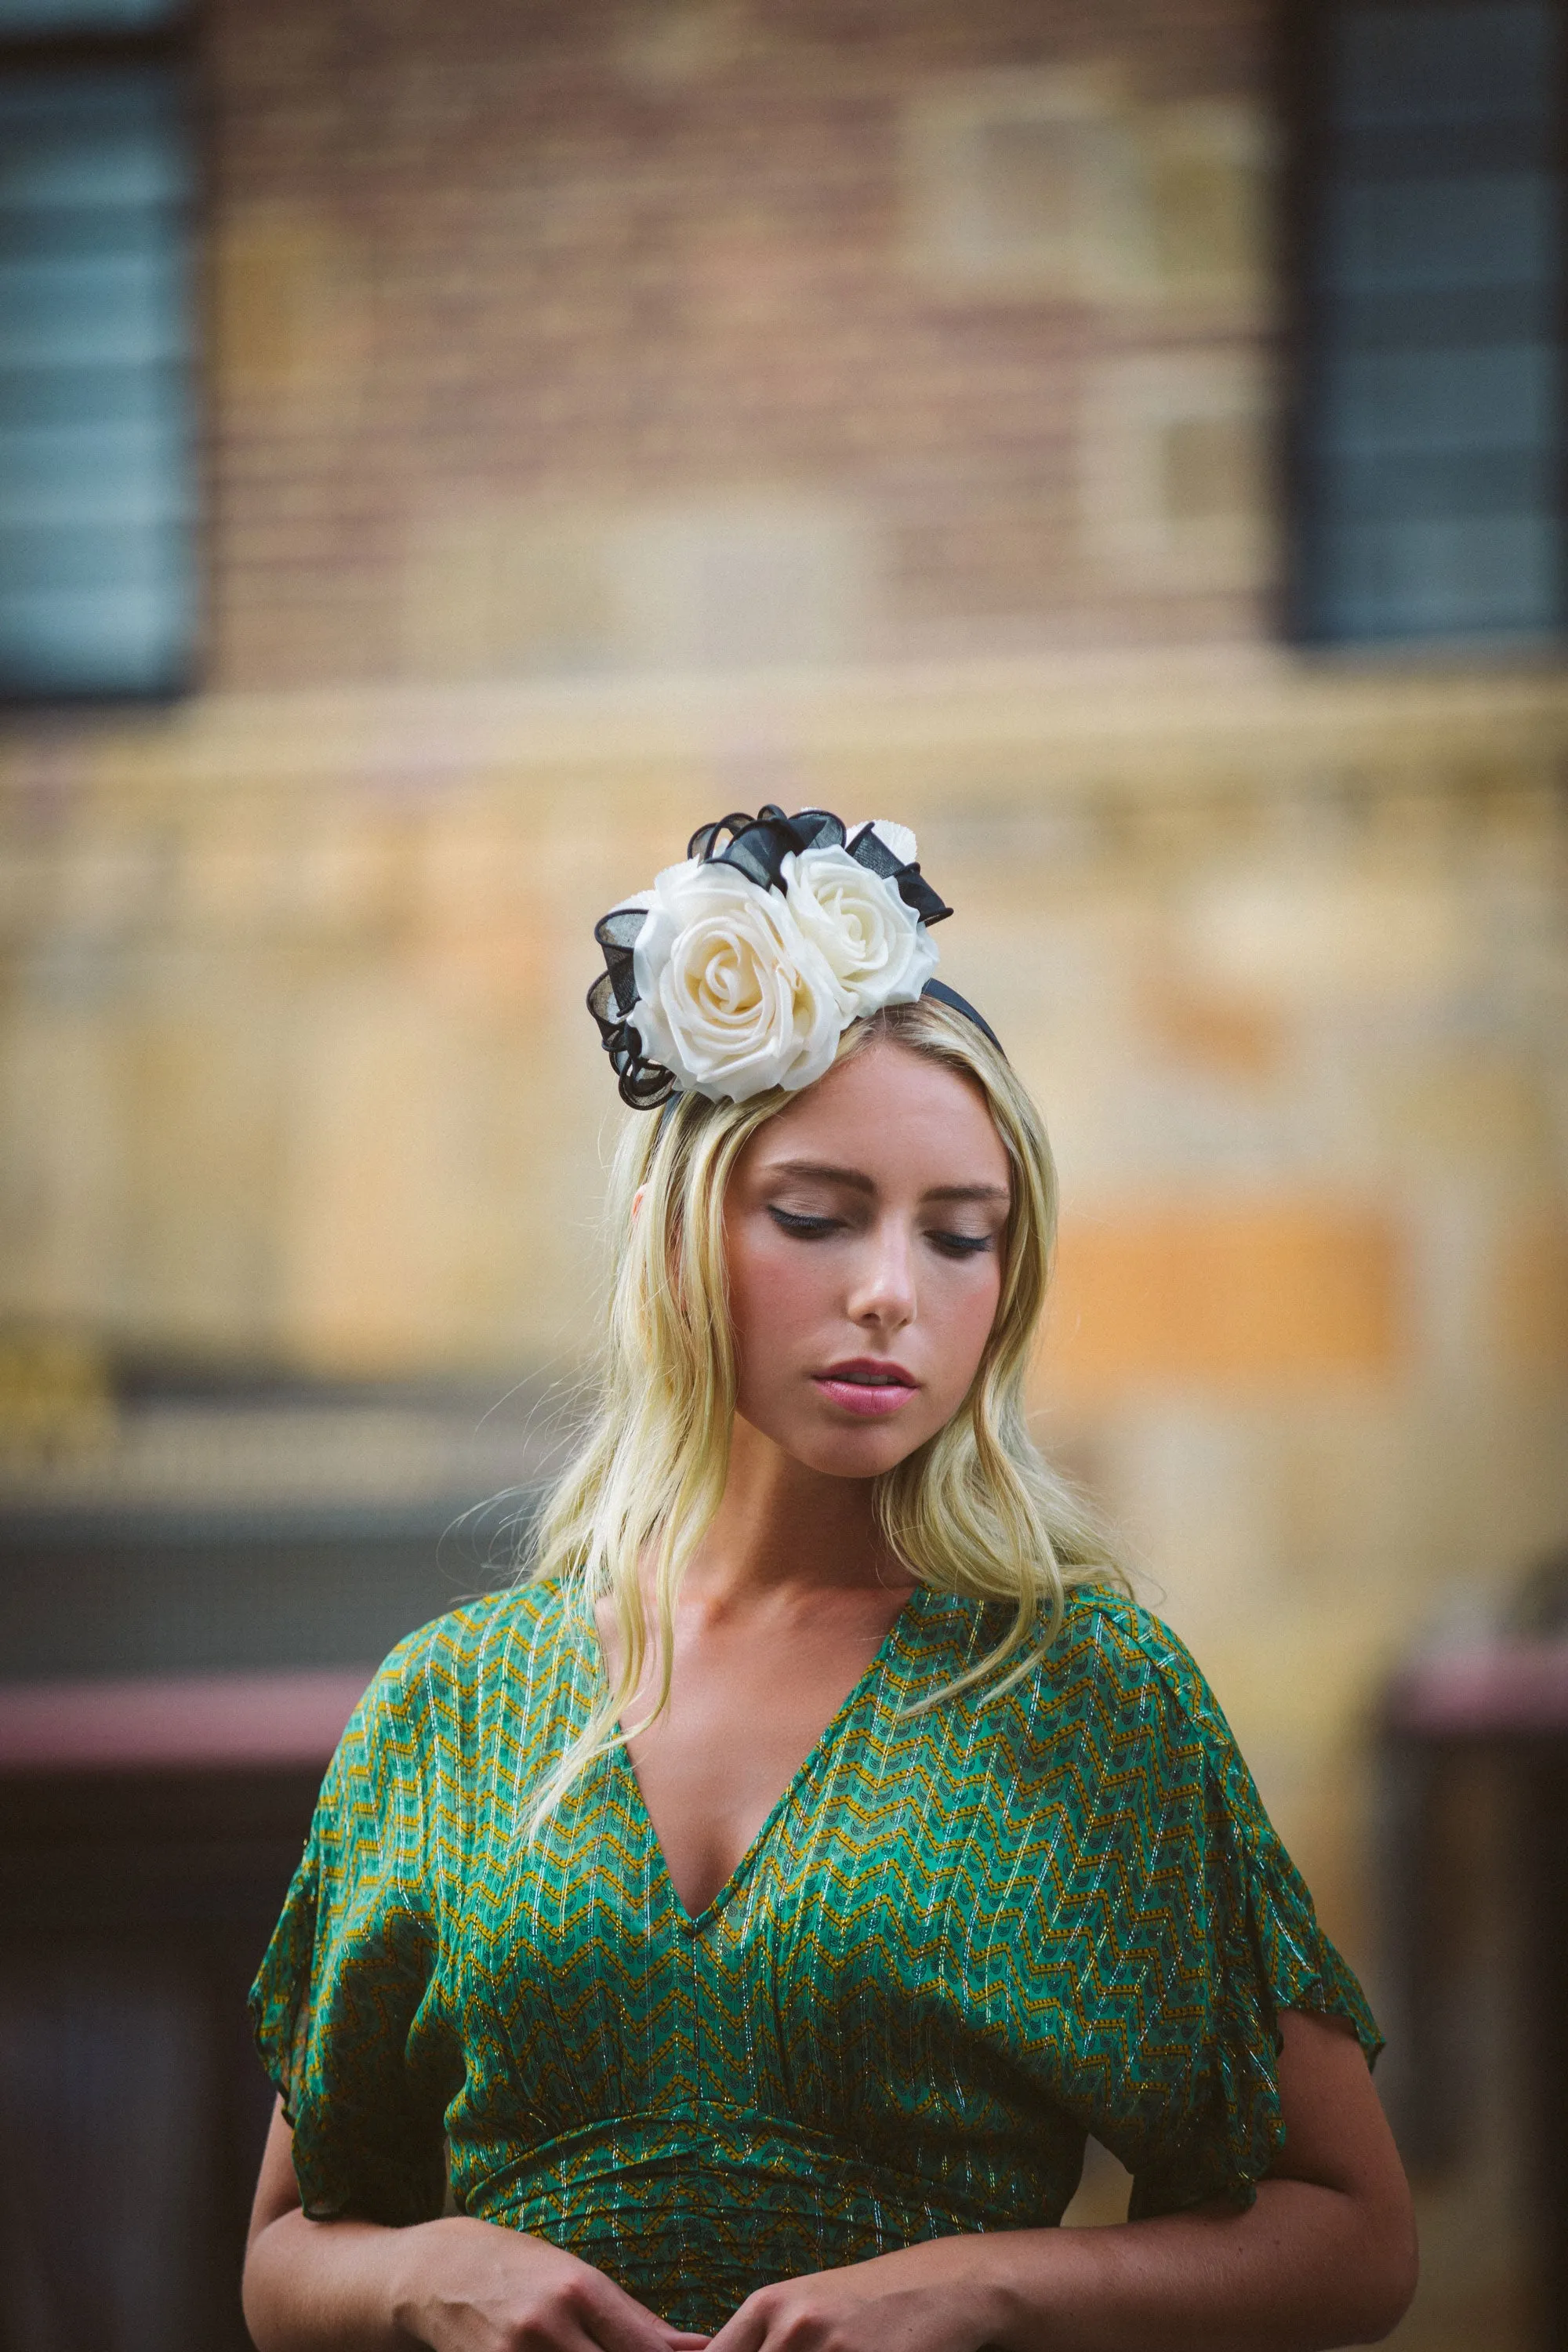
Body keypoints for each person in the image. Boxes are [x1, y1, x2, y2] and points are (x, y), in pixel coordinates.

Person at [243, 808, 1417, 2352]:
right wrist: (425, 2275)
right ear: (681, 1232)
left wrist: (990, 2286)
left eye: (961, 1237)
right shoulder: (448, 1702)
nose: (890, 1293)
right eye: (817, 1214)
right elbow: (284, 2257)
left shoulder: (1085, 1698)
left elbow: (1351, 2237)